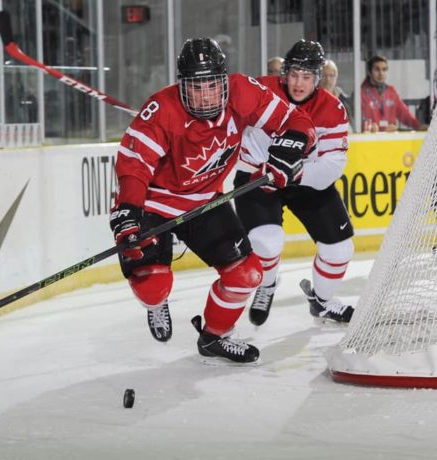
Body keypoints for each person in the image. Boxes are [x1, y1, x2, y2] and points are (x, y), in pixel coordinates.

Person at [110, 37, 315, 364]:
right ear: (181, 86)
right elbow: (133, 167)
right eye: (196, 87)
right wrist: (128, 212)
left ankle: (214, 336)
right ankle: (155, 302)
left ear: (224, 80)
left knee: (247, 274)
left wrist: (292, 145)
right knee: (153, 284)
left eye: (212, 85)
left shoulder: (242, 92)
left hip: (205, 200)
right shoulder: (161, 110)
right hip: (154, 201)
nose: (206, 96)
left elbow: (296, 121)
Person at [233, 39, 354, 327]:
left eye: (307, 77)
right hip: (257, 177)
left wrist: (296, 173)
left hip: (305, 182)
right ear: (285, 73)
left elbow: (334, 163)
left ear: (318, 78)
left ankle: (322, 302)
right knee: (266, 242)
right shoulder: (260, 90)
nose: (299, 83)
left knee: (340, 249)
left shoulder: (332, 109)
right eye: (294, 75)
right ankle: (268, 284)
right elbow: (224, 113)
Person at [361, 55, 422, 132]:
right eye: (377, 69)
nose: (381, 73)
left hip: (390, 137)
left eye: (384, 70)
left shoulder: (391, 91)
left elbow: (405, 114)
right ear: (369, 72)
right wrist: (367, 128)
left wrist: (419, 126)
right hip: (369, 139)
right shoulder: (361, 93)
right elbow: (355, 121)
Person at [320, 59, 354, 130]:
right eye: (324, 75)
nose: (328, 79)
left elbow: (351, 125)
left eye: (331, 75)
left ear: (336, 77)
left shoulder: (344, 101)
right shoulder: (311, 100)